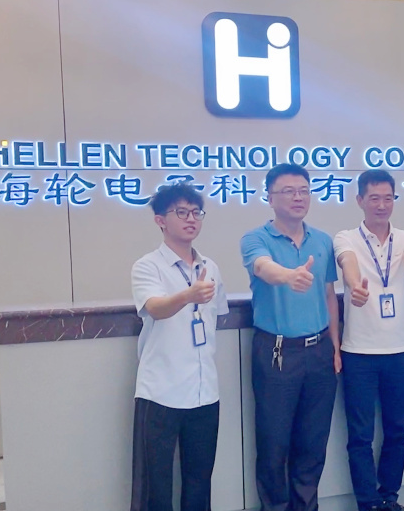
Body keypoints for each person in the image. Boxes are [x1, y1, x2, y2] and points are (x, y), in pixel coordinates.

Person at [333, 170, 404, 511]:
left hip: (400, 352)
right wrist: (355, 285)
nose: (382, 205)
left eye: (388, 198)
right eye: (374, 198)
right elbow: (348, 262)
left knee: (397, 431)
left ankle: (389, 497)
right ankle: (368, 502)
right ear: (360, 200)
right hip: (359, 353)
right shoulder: (346, 237)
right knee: (360, 436)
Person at [241, 163, 342, 511]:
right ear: (270, 198)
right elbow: (262, 267)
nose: (298, 197)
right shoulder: (255, 239)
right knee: (274, 443)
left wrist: (335, 346)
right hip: (277, 352)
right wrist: (289, 276)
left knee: (313, 443)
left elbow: (329, 295)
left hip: (320, 351)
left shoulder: (322, 240)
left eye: (303, 191)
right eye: (288, 191)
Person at [130, 183, 228, 511]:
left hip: (204, 390)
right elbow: (154, 308)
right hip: (161, 390)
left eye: (196, 212)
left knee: (199, 482)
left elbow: (218, 316)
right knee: (155, 486)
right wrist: (188, 295)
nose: (191, 219)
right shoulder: (147, 266)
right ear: (160, 220)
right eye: (181, 212)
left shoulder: (210, 267)